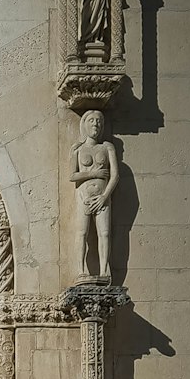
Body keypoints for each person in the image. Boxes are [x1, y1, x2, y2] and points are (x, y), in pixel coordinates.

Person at [71, 109, 118, 283]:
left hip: (102, 197)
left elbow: (115, 175)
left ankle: (105, 270)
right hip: (83, 196)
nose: (95, 125)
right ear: (84, 124)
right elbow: (72, 175)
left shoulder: (107, 147)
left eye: (98, 122)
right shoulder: (78, 149)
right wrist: (93, 174)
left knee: (104, 233)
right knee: (82, 233)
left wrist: (105, 196)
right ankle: (81, 270)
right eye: (91, 121)